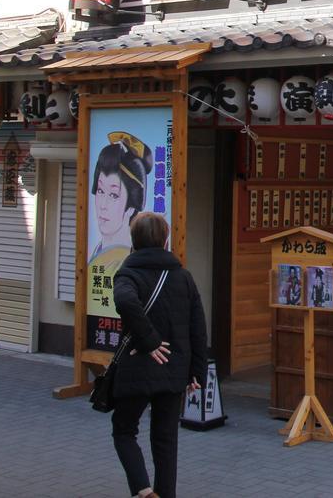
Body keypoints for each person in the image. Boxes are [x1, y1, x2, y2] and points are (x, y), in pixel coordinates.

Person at [111, 212, 208, 498]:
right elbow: (198, 329)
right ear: (165, 240)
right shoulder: (183, 277)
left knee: (124, 430)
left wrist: (150, 341)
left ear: (134, 240)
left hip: (138, 366)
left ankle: (143, 490)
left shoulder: (128, 273)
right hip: (174, 369)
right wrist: (196, 372)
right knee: (166, 439)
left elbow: (125, 301)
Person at [91, 133, 153, 260]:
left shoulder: (131, 259)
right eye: (100, 191)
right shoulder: (97, 252)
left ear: (131, 207)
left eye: (114, 195)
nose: (103, 205)